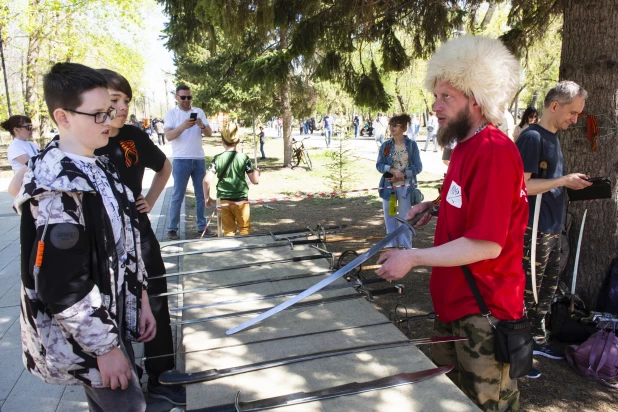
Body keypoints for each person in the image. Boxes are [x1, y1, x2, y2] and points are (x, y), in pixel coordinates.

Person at [376, 36, 527, 411]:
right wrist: (435, 206)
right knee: (446, 400)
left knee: (484, 404)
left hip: (484, 315)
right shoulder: (463, 146)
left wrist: (413, 258)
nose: (436, 106)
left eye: (447, 97)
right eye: (436, 95)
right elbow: (466, 201)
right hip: (454, 305)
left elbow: (487, 244)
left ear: (476, 99)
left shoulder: (493, 151)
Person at [14, 62, 155, 412]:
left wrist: (143, 299)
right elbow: (62, 284)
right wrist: (105, 350)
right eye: (97, 114)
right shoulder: (57, 188)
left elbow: (124, 248)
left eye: (109, 111)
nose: (109, 120)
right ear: (63, 117)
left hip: (110, 321)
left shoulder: (96, 164)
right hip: (89, 338)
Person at [92, 69, 184, 405]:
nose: (122, 107)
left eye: (126, 100)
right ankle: (126, 378)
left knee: (156, 302)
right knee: (112, 309)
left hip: (140, 234)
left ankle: (162, 376)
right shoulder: (90, 140)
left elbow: (164, 168)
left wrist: (151, 199)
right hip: (104, 244)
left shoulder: (133, 136)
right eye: (115, 99)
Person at [515, 81, 591, 378]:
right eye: (572, 113)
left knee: (544, 292)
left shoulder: (552, 137)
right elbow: (522, 185)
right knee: (526, 292)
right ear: (555, 106)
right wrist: (562, 181)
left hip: (551, 227)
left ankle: (536, 339)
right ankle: (518, 349)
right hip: (533, 229)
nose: (575, 119)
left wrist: (574, 185)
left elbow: (549, 181)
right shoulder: (533, 138)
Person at [164, 84, 213, 240]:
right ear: (176, 97)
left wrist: (202, 125)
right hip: (180, 160)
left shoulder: (199, 112)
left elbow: (209, 133)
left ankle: (201, 226)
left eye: (189, 97)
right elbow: (169, 136)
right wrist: (183, 126)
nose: (186, 100)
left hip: (198, 159)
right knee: (178, 195)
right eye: (183, 97)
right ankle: (172, 228)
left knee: (201, 195)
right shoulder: (171, 114)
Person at [204, 121, 260, 236]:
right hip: (241, 199)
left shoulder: (217, 159)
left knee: (228, 230)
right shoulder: (244, 158)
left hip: (223, 199)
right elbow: (255, 181)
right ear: (238, 141)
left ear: (222, 141)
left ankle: (231, 251)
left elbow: (206, 180)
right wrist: (257, 173)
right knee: (244, 229)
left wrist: (206, 197)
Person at [376, 114, 423, 249]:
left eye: (395, 125)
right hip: (388, 188)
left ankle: (405, 246)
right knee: (389, 215)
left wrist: (403, 175)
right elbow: (379, 165)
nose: (391, 128)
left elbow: (418, 167)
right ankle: (391, 244)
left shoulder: (412, 145)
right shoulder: (386, 146)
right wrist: (390, 170)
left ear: (403, 127)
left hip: (406, 187)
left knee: (404, 217)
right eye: (391, 125)